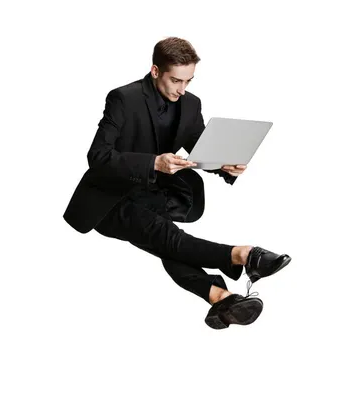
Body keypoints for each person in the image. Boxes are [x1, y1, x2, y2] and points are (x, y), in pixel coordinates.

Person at [63, 37, 291, 329]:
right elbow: (98, 156)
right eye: (176, 80)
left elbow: (201, 147)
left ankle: (219, 297)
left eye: (189, 81)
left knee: (166, 241)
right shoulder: (123, 98)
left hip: (155, 193)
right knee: (167, 237)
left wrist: (225, 166)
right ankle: (241, 255)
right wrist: (154, 163)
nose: (182, 90)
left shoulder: (190, 103)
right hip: (110, 199)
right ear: (156, 70)